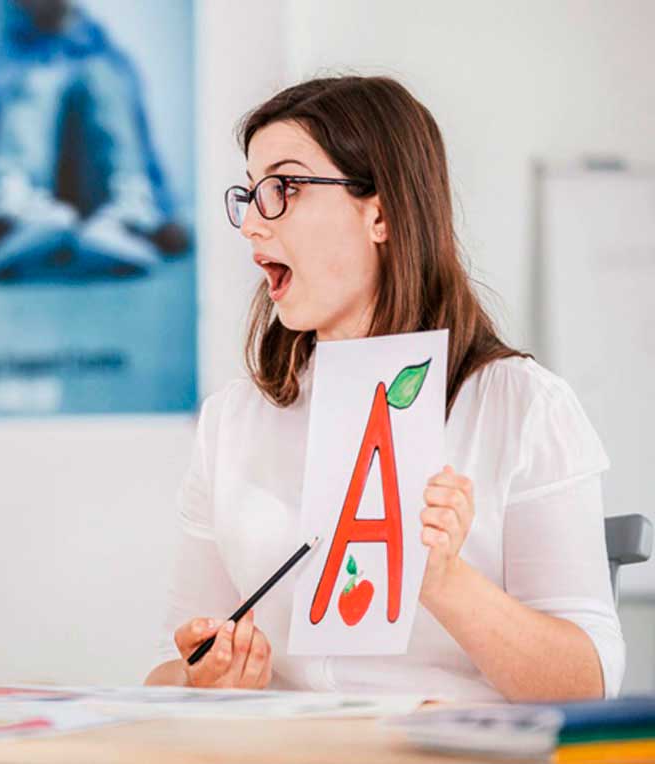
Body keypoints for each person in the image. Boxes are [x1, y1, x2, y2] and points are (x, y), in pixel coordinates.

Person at [145, 76, 624, 702]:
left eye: (284, 189)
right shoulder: (234, 420)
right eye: (251, 194)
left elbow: (588, 686)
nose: (252, 227)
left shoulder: (522, 407)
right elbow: (163, 672)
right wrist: (202, 675)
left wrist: (447, 582)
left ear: (382, 213)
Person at [0, 0, 190, 281]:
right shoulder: (0, 66)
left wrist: (167, 212)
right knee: (34, 80)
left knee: (101, 77)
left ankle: (127, 219)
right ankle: (13, 219)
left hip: (98, 203)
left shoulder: (112, 62)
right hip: (32, 208)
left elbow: (142, 148)